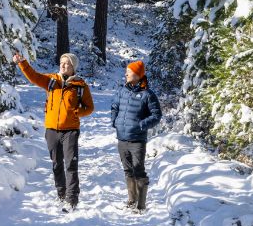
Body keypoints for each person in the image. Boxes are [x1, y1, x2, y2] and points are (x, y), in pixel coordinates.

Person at [13, 51, 94, 210]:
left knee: (71, 164)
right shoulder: (51, 81)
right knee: (57, 164)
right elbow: (34, 76)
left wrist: (78, 112)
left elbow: (89, 107)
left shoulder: (80, 86)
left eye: (67, 64)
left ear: (73, 67)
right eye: (62, 63)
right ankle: (62, 194)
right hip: (51, 130)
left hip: (70, 130)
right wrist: (22, 62)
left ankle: (72, 199)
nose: (63, 65)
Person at [110, 60, 162, 212]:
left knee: (138, 170)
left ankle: (141, 205)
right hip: (122, 138)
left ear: (138, 75)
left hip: (137, 140)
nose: (126, 74)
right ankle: (132, 200)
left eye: (129, 71)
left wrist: (141, 125)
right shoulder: (122, 91)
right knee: (127, 170)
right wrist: (115, 121)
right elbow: (114, 106)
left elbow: (156, 115)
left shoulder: (148, 95)